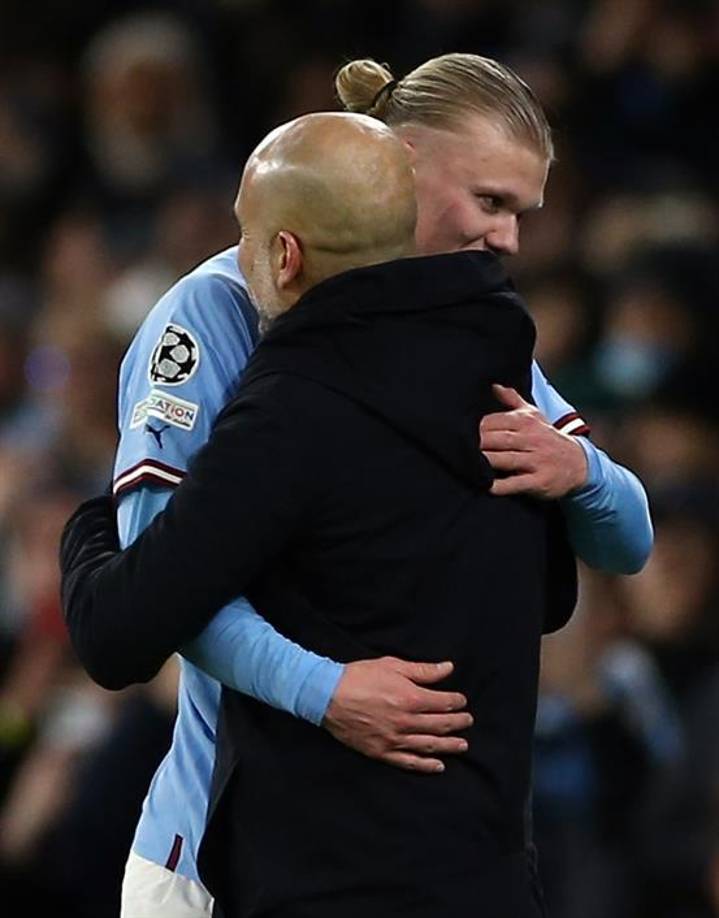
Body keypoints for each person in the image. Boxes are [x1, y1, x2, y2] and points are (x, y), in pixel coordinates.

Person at [63, 54, 653, 918]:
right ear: (397, 167)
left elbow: (627, 538)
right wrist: (325, 690)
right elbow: (158, 586)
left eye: (523, 213)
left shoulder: (479, 328)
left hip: (428, 842)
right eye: (489, 202)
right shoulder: (219, 312)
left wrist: (584, 473)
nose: (508, 240)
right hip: (218, 838)